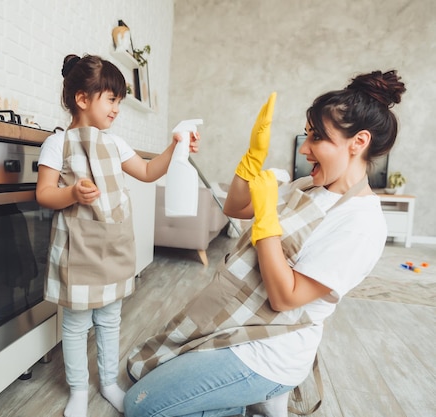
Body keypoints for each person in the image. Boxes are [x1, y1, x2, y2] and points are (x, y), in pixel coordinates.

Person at [124, 70, 406, 417]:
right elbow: (235, 206)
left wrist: (268, 220)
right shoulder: (308, 187)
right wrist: (251, 159)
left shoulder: (361, 222)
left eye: (316, 137)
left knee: (143, 408)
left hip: (271, 353)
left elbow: (285, 296)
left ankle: (254, 401)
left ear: (358, 142)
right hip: (237, 326)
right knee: (140, 380)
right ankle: (249, 402)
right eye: (307, 135)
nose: (304, 148)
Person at [36, 54, 200, 417]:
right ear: (83, 99)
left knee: (109, 320)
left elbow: (146, 171)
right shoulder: (57, 144)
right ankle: (79, 390)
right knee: (77, 325)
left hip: (113, 248)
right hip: (78, 251)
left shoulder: (116, 143)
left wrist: (175, 147)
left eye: (120, 102)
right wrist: (72, 194)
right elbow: (45, 194)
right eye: (112, 99)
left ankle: (108, 382)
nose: (117, 110)